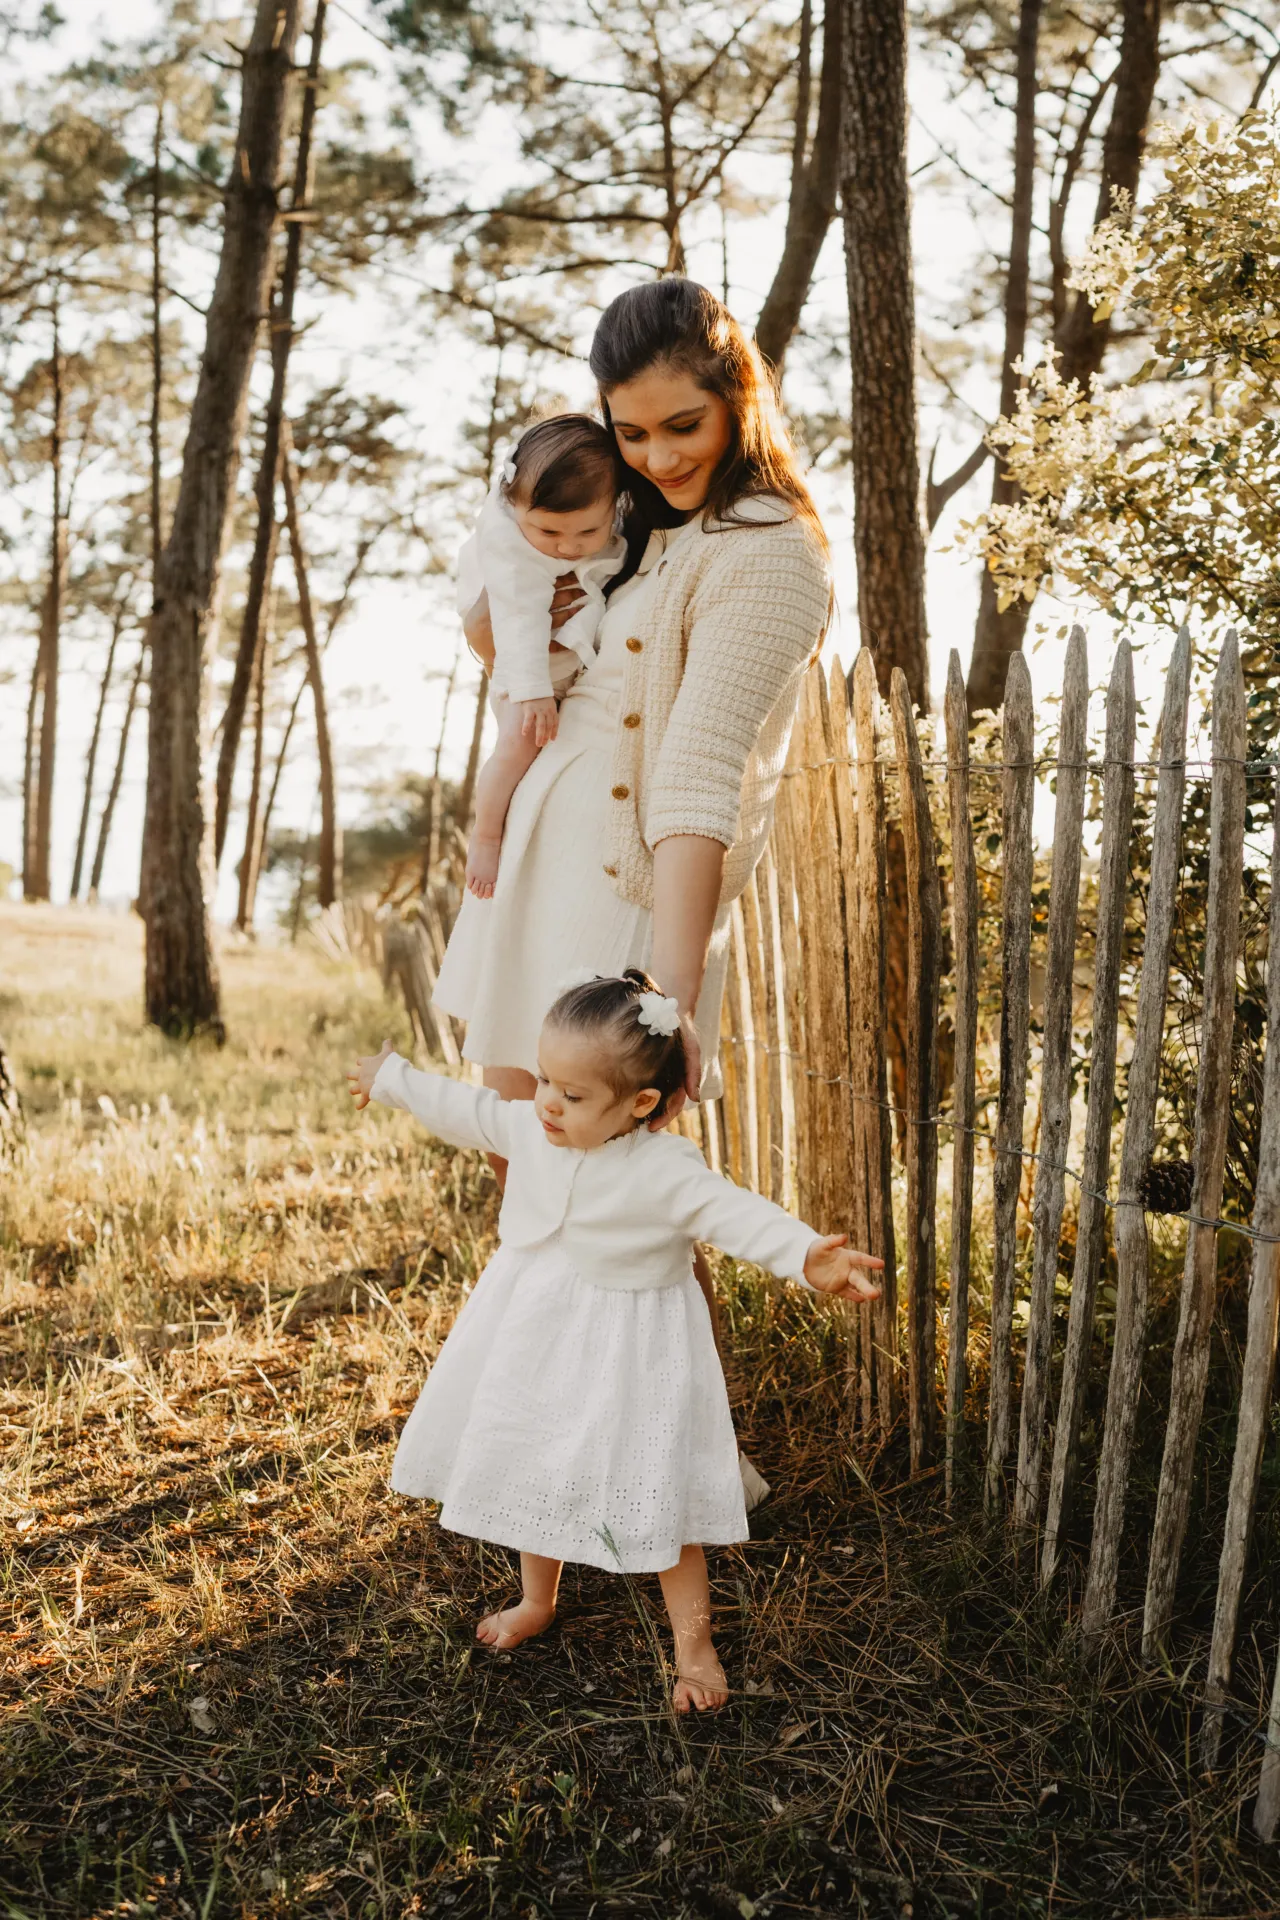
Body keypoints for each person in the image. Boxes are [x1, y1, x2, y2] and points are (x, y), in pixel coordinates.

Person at [433, 278, 832, 1383]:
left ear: (739, 395)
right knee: (536, 1179)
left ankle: (672, 1444)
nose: (656, 456)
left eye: (683, 426)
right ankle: (554, 1422)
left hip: (621, 895)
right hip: (545, 862)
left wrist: (668, 995)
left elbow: (700, 777)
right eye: (632, 432)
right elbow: (528, 632)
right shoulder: (652, 520)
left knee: (617, 1203)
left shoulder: (767, 551)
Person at [348, 970, 882, 1712]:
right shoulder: (530, 1128)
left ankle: (694, 1646)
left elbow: (732, 1212)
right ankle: (537, 1600)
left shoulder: (664, 1169)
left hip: (632, 1355)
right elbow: (467, 1109)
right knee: (536, 1459)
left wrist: (804, 1255)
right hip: (536, 1335)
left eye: (572, 1095)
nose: (546, 1102)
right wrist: (392, 1078)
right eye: (544, 1079)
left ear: (640, 1104)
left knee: (661, 1492)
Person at [457, 416, 627, 899]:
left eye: (588, 531)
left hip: (567, 671)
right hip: (525, 673)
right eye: (549, 531)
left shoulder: (597, 510)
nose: (568, 546)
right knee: (517, 746)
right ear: (514, 505)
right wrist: (533, 693)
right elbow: (517, 619)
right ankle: (486, 836)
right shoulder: (514, 549)